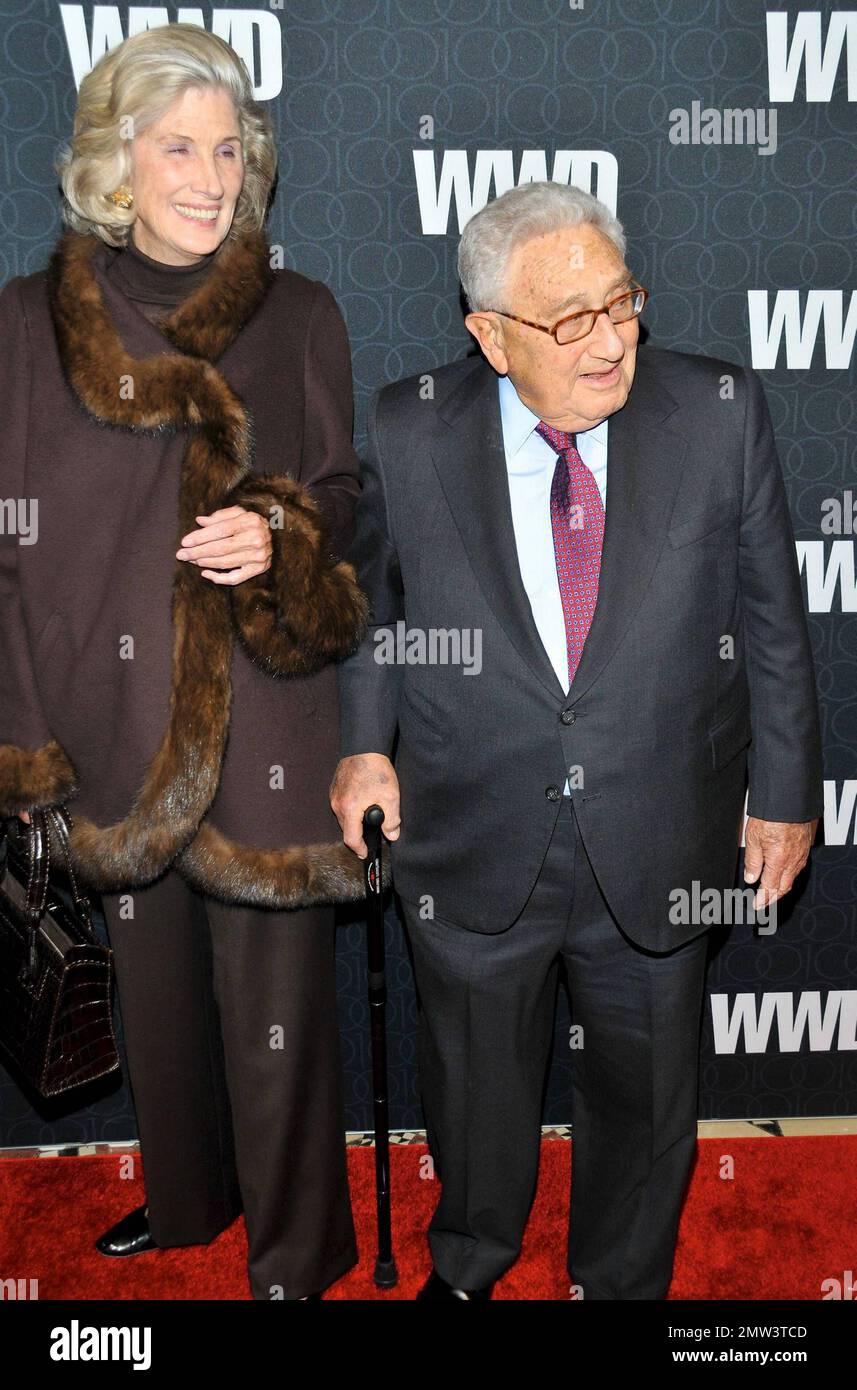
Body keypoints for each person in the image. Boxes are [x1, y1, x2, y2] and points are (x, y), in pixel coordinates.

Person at [330, 181, 824, 1300]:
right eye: (568, 322)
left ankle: (618, 1279)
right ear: (488, 336)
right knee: (472, 1088)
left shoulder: (714, 406)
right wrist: (363, 746)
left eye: (621, 305)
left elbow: (771, 621)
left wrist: (786, 793)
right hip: (469, 828)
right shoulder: (406, 424)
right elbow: (375, 614)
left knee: (648, 1098)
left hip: (657, 827)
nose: (610, 342)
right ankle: (470, 1258)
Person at [0, 23, 370, 1300]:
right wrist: (26, 742)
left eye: (228, 149)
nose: (209, 177)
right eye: (177, 147)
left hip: (265, 715)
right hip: (106, 713)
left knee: (279, 1027)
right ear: (116, 159)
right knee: (153, 1007)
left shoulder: (299, 311)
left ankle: (298, 1251)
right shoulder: (24, 323)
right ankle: (184, 1203)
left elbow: (344, 497)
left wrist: (275, 530)